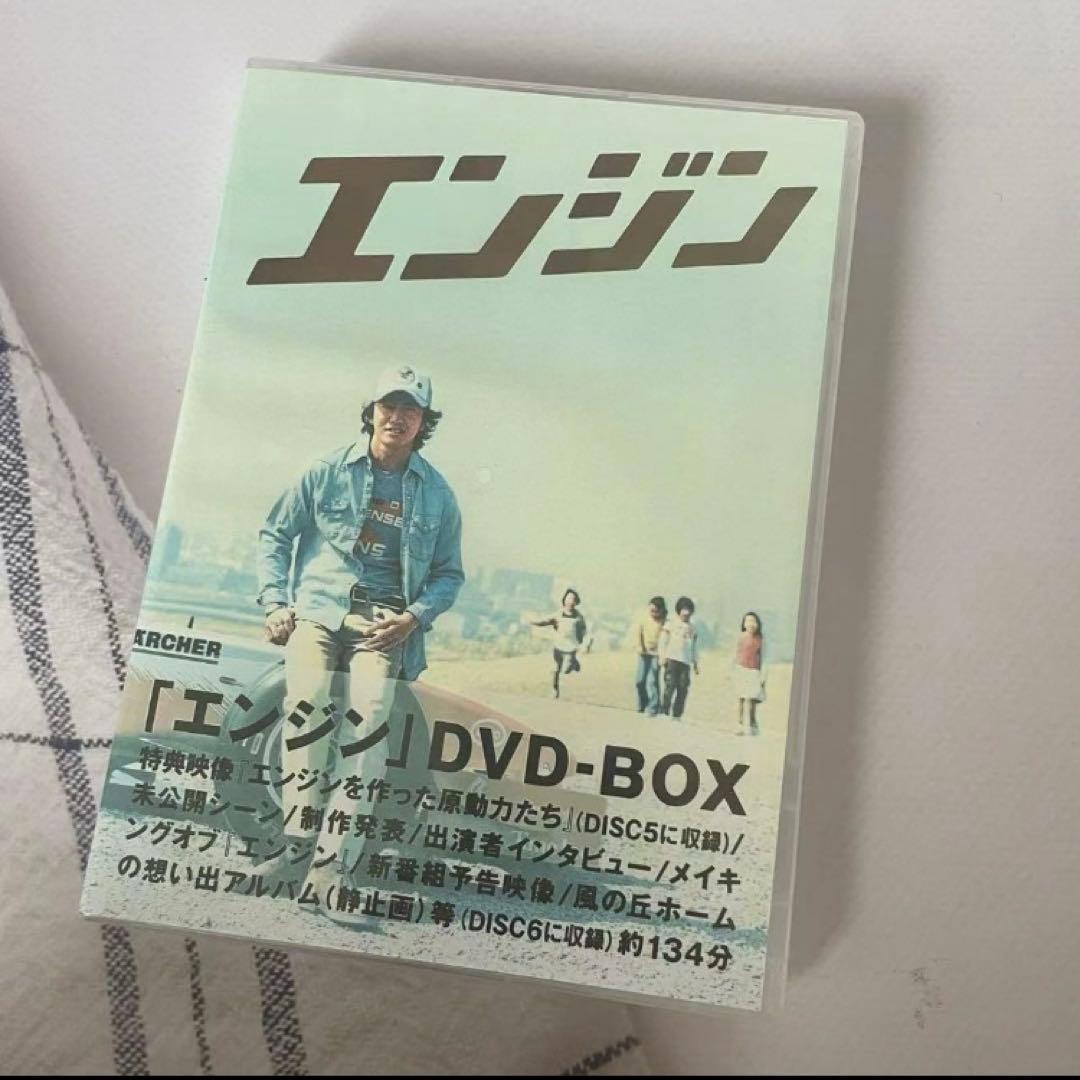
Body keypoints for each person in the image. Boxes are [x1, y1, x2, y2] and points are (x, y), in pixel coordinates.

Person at [254, 365, 464, 910]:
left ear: (424, 422)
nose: (397, 417)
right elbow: (276, 535)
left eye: (410, 410)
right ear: (370, 411)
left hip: (383, 627)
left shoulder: (438, 495)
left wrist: (413, 617)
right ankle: (297, 845)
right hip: (318, 615)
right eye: (388, 406)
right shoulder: (325, 471)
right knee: (307, 709)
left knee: (367, 727)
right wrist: (275, 603)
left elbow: (449, 574)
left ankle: (334, 865)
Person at [530, 588, 587, 699]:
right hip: (559, 646)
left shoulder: (579, 617)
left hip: (571, 647)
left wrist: (582, 641)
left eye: (573, 599)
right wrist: (533, 621)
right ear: (564, 600)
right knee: (555, 669)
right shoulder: (558, 614)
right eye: (568, 599)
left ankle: (573, 662)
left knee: (566, 670)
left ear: (576, 602)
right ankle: (555, 690)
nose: (570, 601)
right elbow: (545, 621)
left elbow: (583, 630)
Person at [659, 596, 699, 719]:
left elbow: (694, 646)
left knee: (683, 688)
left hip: (685, 662)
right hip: (672, 659)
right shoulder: (671, 623)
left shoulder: (693, 628)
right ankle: (664, 711)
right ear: (679, 610)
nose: (686, 613)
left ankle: (677, 714)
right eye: (684, 609)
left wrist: (695, 662)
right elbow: (663, 641)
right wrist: (662, 656)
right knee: (669, 686)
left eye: (688, 610)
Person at [633, 596, 667, 715]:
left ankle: (654, 706)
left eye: (656, 611)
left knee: (652, 681)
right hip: (643, 653)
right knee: (639, 680)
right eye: (651, 610)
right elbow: (638, 633)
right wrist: (640, 646)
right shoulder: (643, 619)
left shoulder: (665, 622)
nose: (653, 613)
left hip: (656, 654)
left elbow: (666, 639)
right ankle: (643, 703)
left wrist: (663, 654)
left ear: (661, 610)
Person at [734, 611, 766, 735]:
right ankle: (740, 724)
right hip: (741, 670)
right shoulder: (741, 637)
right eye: (748, 621)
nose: (751, 624)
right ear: (744, 624)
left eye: (753, 621)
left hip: (754, 671)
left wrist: (763, 675)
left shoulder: (760, 639)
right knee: (742, 698)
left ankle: (752, 725)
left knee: (752, 699)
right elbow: (736, 654)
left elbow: (764, 657)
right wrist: (732, 670)